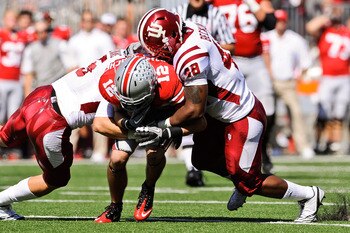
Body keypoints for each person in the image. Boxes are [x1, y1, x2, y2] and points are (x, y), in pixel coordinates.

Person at [136, 8, 325, 223]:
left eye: (157, 47)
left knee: (248, 181)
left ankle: (309, 195)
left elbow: (194, 109)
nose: (156, 53)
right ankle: (239, 180)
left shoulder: (190, 56)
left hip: (241, 115)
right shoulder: (190, 29)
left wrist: (165, 125)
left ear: (170, 37)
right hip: (221, 111)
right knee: (201, 158)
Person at [0, 49, 136, 220]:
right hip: (51, 122)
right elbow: (101, 125)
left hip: (41, 94)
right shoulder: (122, 79)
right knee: (56, 179)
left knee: (4, 138)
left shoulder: (121, 54)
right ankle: (1, 203)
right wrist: (139, 134)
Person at [93, 54, 206, 223]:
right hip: (129, 118)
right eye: (127, 101)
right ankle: (115, 206)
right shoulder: (109, 80)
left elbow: (201, 123)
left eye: (136, 101)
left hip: (160, 115)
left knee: (154, 153)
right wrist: (126, 124)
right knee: (117, 159)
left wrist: (169, 131)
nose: (133, 105)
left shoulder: (170, 83)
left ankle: (148, 187)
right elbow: (110, 115)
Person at [173, 0, 235, 187]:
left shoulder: (216, 14)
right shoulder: (177, 12)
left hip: (211, 78)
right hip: (184, 73)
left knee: (207, 122)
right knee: (189, 117)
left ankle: (231, 170)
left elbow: (231, 45)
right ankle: (192, 169)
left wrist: (206, 49)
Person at [212, 0, 277, 174]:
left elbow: (271, 22)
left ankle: (262, 148)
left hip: (255, 60)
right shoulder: (216, 2)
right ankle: (228, 151)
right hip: (229, 61)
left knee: (269, 108)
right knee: (225, 110)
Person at [262, 10, 315, 159]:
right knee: (267, 116)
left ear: (286, 22)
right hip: (268, 82)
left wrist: (298, 76)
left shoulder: (295, 39)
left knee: (296, 113)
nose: (280, 24)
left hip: (288, 82)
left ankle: (303, 146)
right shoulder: (266, 37)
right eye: (278, 21)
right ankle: (265, 146)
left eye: (282, 21)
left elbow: (305, 62)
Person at [68, 10, 116, 162]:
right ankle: (69, 151)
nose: (87, 23)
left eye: (90, 20)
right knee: (73, 118)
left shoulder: (102, 38)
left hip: (98, 82)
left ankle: (99, 152)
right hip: (79, 84)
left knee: (99, 116)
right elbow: (71, 65)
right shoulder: (74, 40)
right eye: (85, 20)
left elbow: (111, 59)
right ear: (81, 22)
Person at [306, 1, 350, 154]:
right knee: (324, 113)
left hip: (344, 77)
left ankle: (333, 143)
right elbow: (310, 27)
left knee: (339, 113)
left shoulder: (346, 31)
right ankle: (318, 142)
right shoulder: (324, 30)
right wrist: (327, 15)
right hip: (328, 77)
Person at [0, 9, 28, 159]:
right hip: (2, 79)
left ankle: (11, 149)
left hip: (17, 81)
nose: (12, 21)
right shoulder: (1, 34)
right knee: (0, 115)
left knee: (13, 117)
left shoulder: (21, 35)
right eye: (9, 18)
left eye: (13, 18)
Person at [21, 20, 73, 97]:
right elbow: (29, 75)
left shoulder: (60, 44)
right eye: (38, 32)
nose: (41, 34)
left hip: (58, 88)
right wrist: (27, 96)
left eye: (44, 31)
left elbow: (71, 67)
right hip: (41, 88)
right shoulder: (31, 49)